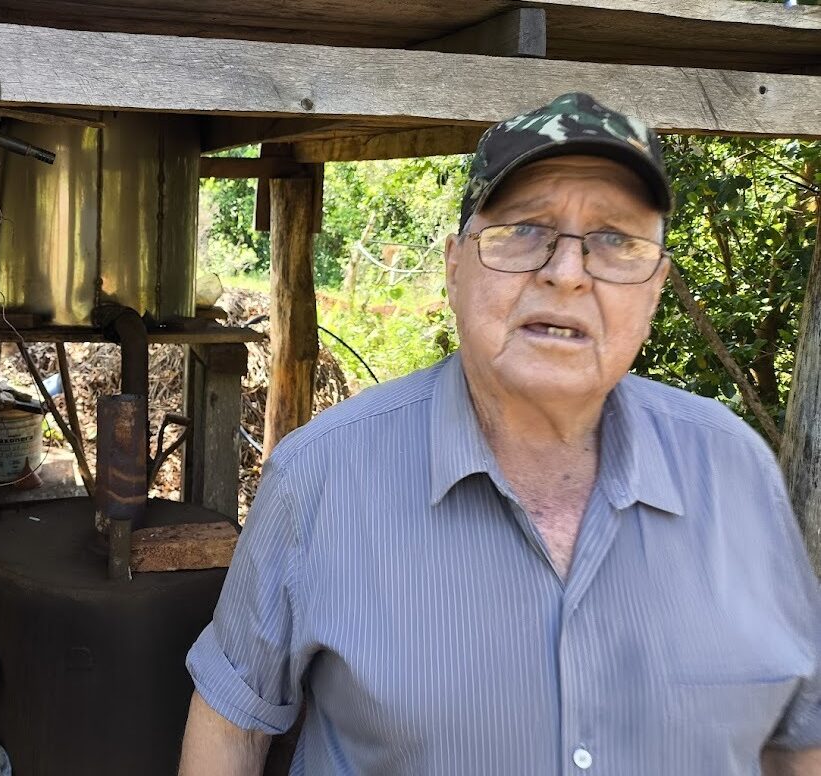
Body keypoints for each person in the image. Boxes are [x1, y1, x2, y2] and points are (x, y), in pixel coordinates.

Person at [179, 93, 821, 775]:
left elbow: (797, 738)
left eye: (614, 239)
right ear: (454, 266)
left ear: (655, 288)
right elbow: (233, 727)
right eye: (523, 229)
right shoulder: (322, 474)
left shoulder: (735, 471)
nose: (566, 272)